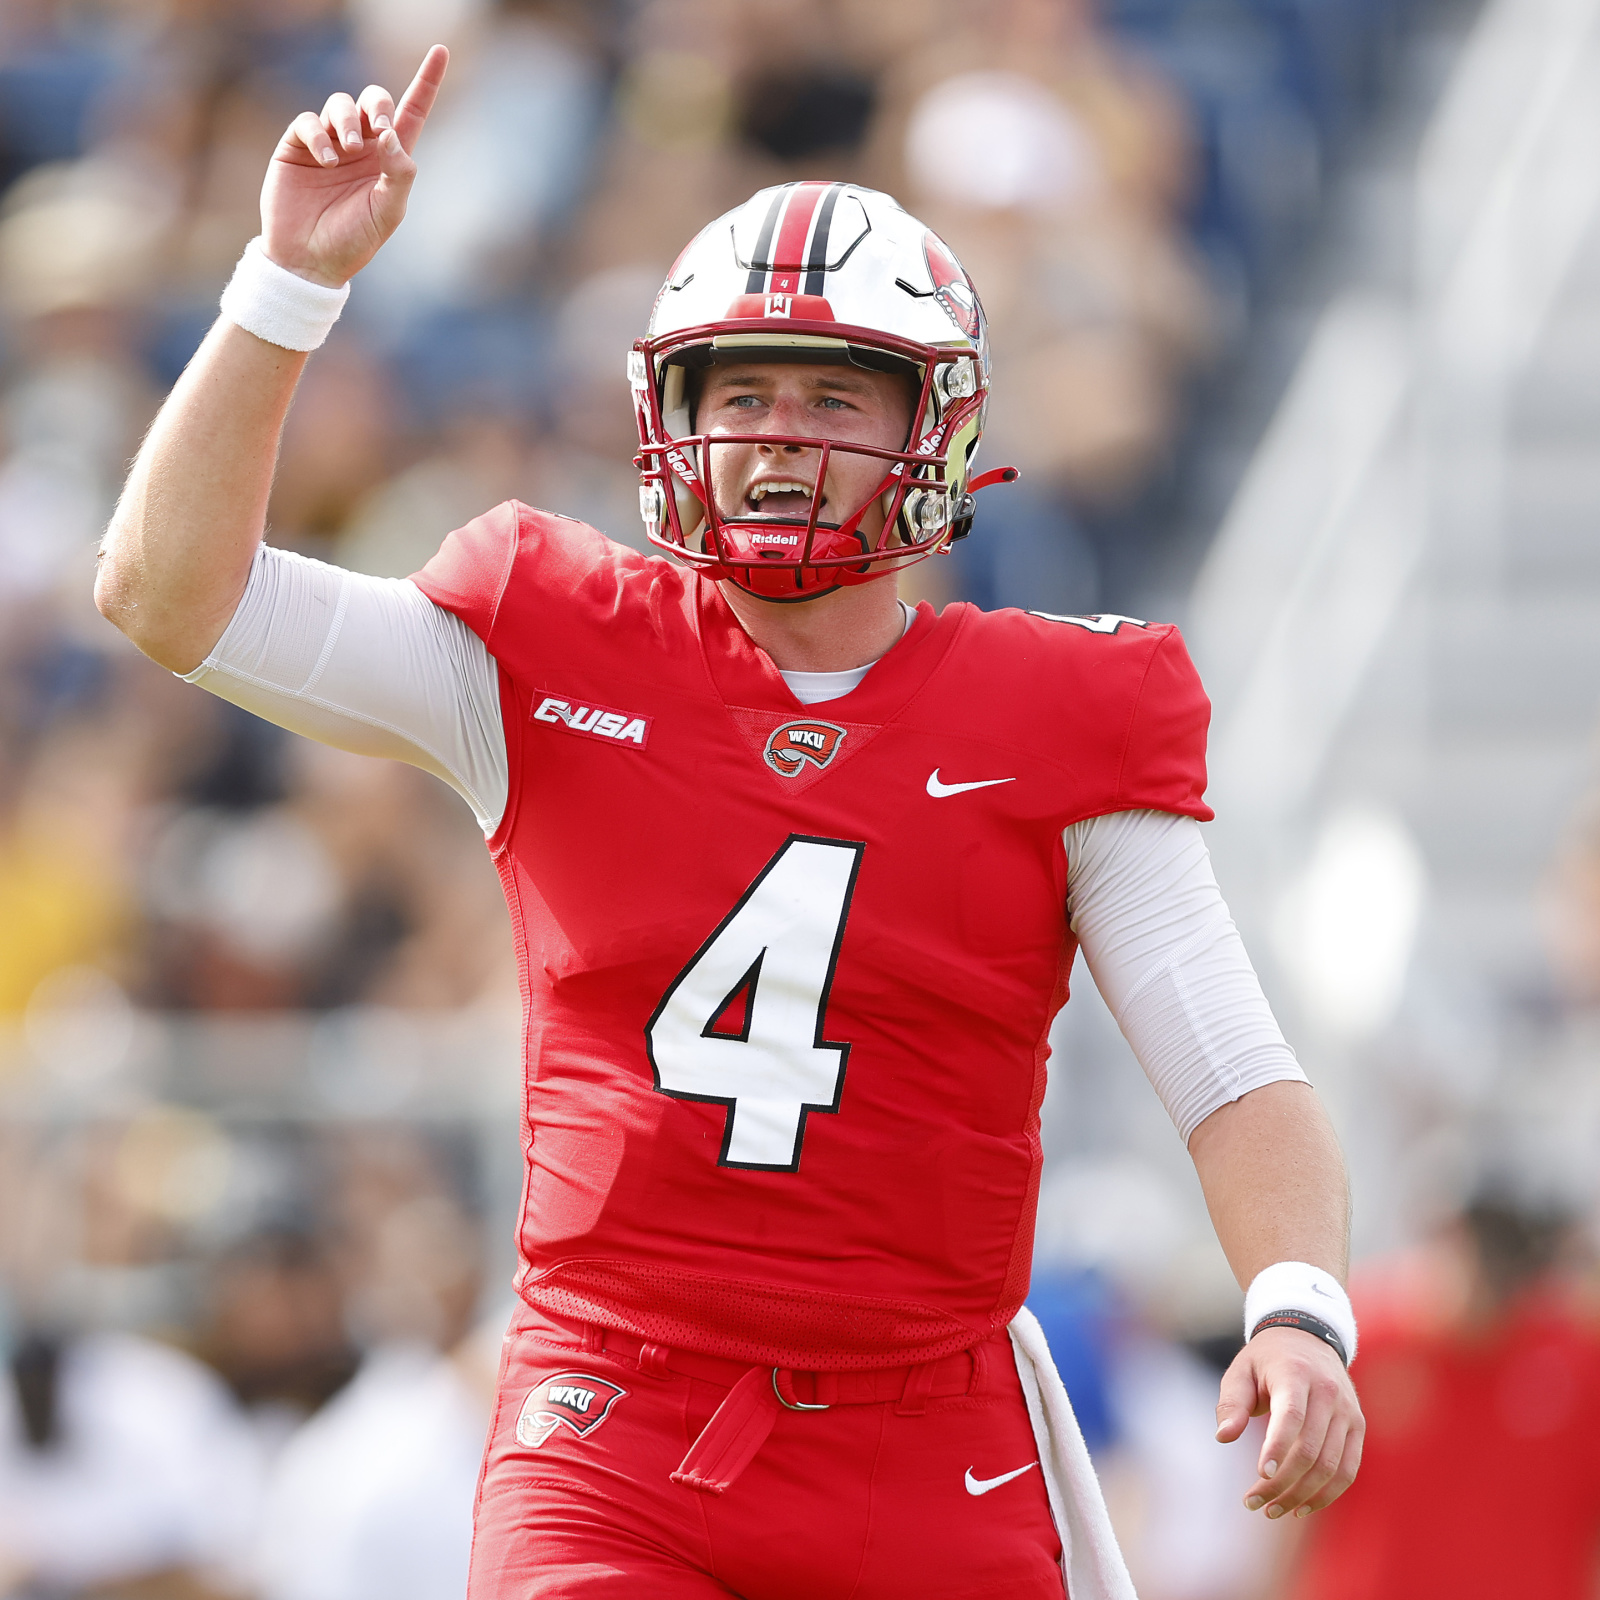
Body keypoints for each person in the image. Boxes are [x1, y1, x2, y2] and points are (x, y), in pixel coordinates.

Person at [93, 47, 1364, 1600]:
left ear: (935, 430)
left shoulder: (1059, 714)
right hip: (609, 1418)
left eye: (834, 395)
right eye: (739, 390)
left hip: (925, 1441)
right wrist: (289, 284)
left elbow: (1229, 1064)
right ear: (666, 414)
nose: (775, 435)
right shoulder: (550, 650)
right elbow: (168, 598)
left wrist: (1297, 1306)